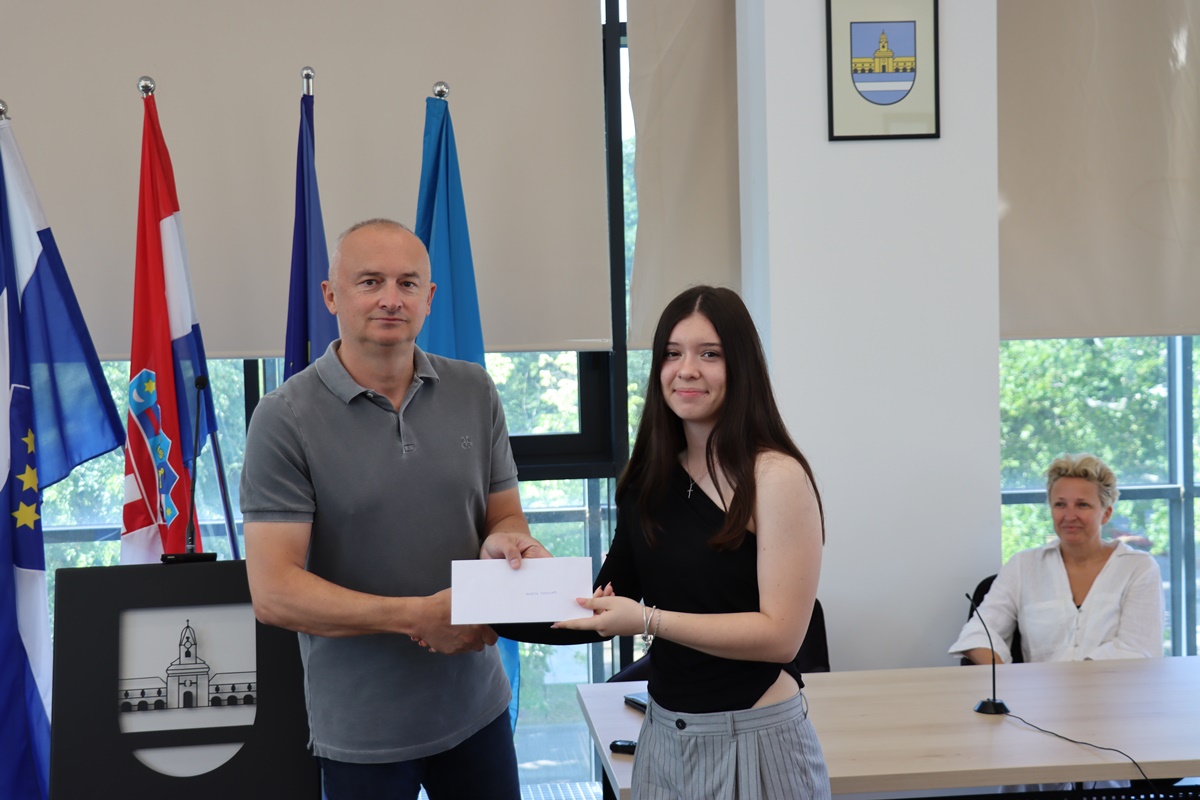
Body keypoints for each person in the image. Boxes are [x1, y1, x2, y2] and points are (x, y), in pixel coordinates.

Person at [240, 218, 548, 800]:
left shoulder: (475, 390)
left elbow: (504, 518)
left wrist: (507, 541)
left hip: (477, 708)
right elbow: (274, 591)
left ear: (428, 298)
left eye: (407, 283)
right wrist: (415, 616)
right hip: (362, 731)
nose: (390, 298)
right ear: (331, 295)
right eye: (370, 281)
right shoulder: (284, 418)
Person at [552, 285, 831, 800]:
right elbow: (604, 599)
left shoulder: (775, 476)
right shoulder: (648, 479)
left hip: (756, 740)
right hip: (663, 738)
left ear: (741, 367)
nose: (686, 370)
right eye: (672, 353)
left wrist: (648, 620)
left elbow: (781, 637)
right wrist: (486, 599)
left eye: (710, 354)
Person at [948, 453, 1163, 792]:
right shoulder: (1023, 566)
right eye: (1060, 504)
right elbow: (978, 634)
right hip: (1034, 721)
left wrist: (1066, 691)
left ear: (1106, 512)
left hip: (1111, 720)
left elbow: (1138, 651)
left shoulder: (1138, 568)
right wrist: (1009, 683)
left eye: (1083, 505)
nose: (1069, 515)